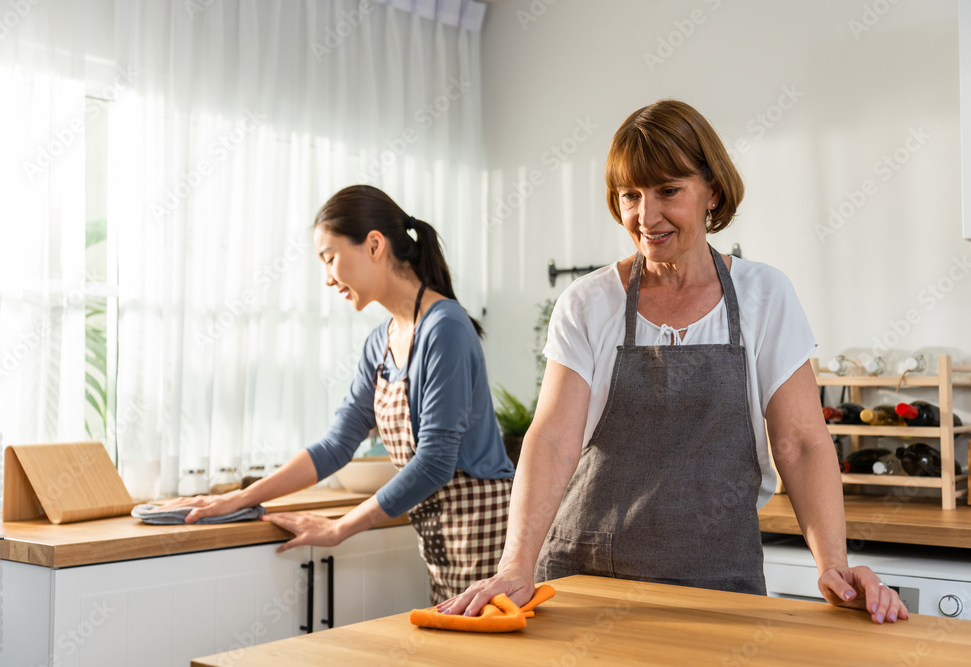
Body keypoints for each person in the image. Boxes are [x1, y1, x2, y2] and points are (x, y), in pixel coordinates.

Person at [439, 100, 907, 624]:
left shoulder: (764, 296)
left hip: (720, 587)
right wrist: (514, 564)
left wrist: (833, 565)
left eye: (668, 190)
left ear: (712, 190)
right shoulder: (588, 303)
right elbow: (551, 440)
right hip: (587, 582)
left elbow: (799, 443)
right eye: (630, 195)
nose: (646, 214)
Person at [164, 185, 514, 604]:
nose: (328, 279)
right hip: (441, 535)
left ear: (373, 245)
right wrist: (239, 497)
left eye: (329, 259)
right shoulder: (379, 345)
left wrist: (338, 528)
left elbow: (436, 462)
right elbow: (336, 445)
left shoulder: (446, 328)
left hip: (486, 529)